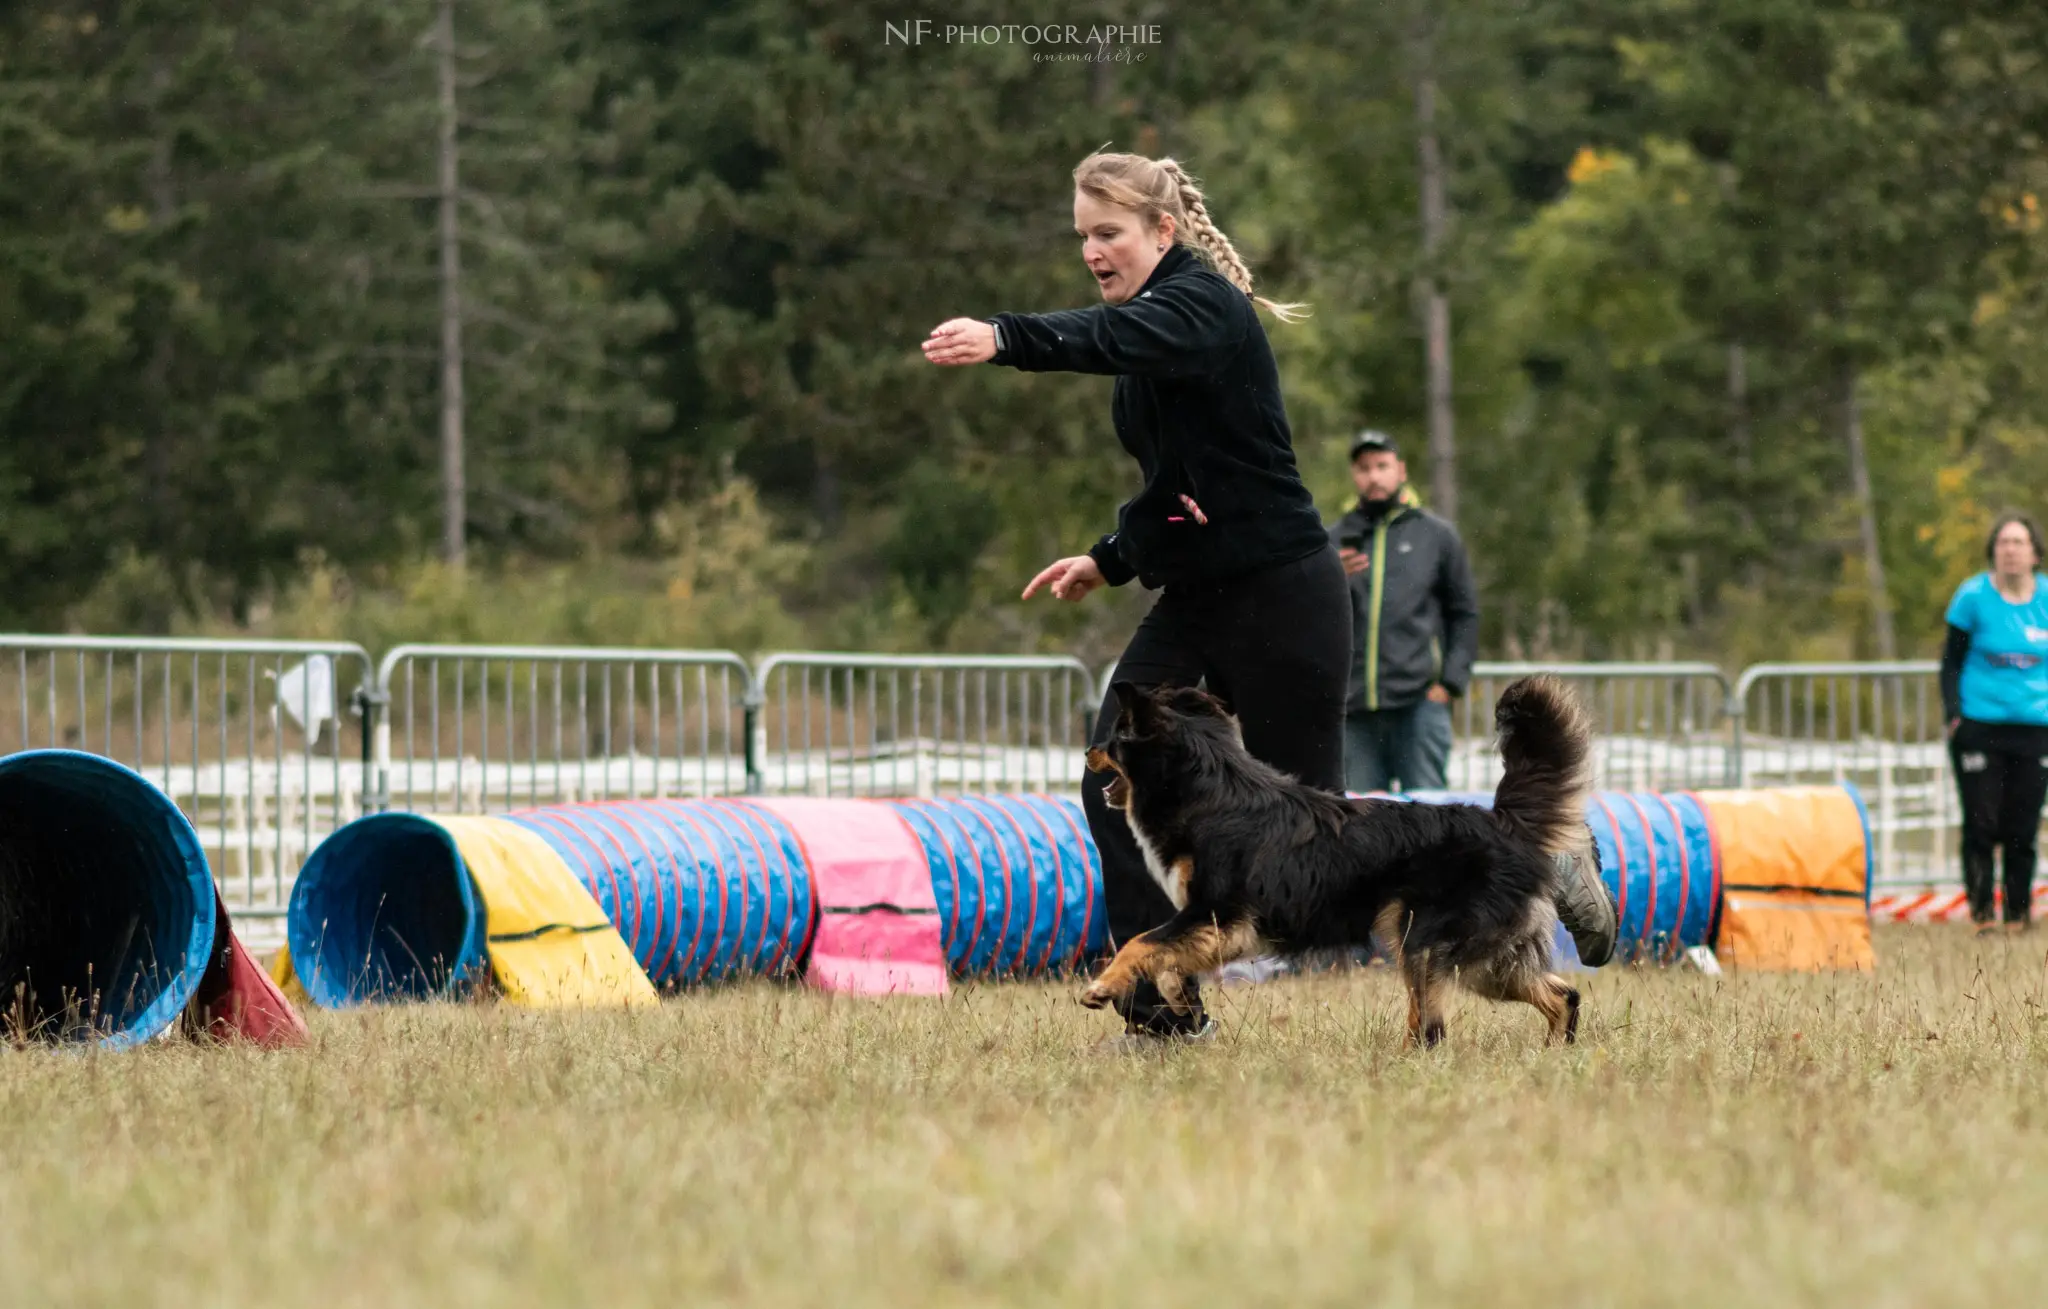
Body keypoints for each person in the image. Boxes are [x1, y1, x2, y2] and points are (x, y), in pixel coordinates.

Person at [921, 151, 1350, 1046]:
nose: (1091, 251)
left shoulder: (1201, 307)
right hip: (1197, 596)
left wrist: (1007, 336)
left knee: (1319, 834)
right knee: (1112, 769)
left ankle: (1534, 859)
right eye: (1081, 235)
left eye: (1107, 233)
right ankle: (1160, 1005)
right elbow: (1175, 489)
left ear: (1164, 231)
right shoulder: (1152, 334)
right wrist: (1109, 559)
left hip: (1281, 593)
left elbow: (1105, 341)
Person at [1329, 430, 1479, 794]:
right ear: (1354, 475)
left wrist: (1451, 682)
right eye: (1364, 468)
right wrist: (1331, 575)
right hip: (1354, 710)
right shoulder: (1332, 539)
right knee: (1360, 826)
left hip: (1419, 705)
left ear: (1401, 471)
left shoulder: (1437, 535)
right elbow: (1308, 616)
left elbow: (1464, 613)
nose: (1374, 476)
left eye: (1382, 466)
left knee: (1427, 820)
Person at [1941, 512, 2048, 936]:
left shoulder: (2045, 599)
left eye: (2019, 542)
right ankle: (1982, 914)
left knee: (2023, 825)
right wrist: (1953, 715)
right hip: (1980, 725)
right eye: (2003, 542)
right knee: (1982, 822)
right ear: (1994, 551)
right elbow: (1950, 662)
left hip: (2035, 727)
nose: (2010, 550)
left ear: (2034, 553)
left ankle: (2018, 917)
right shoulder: (1972, 598)